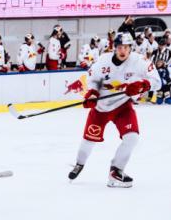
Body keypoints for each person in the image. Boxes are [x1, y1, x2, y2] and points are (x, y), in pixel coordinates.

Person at [67, 32, 158, 188]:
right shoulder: (103, 61)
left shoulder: (140, 61)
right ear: (114, 48)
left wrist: (143, 85)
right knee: (89, 140)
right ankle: (79, 164)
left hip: (123, 106)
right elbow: (92, 80)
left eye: (126, 47)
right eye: (120, 47)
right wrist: (93, 93)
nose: (123, 51)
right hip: (101, 108)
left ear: (131, 48)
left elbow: (157, 81)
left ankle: (116, 171)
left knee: (132, 137)